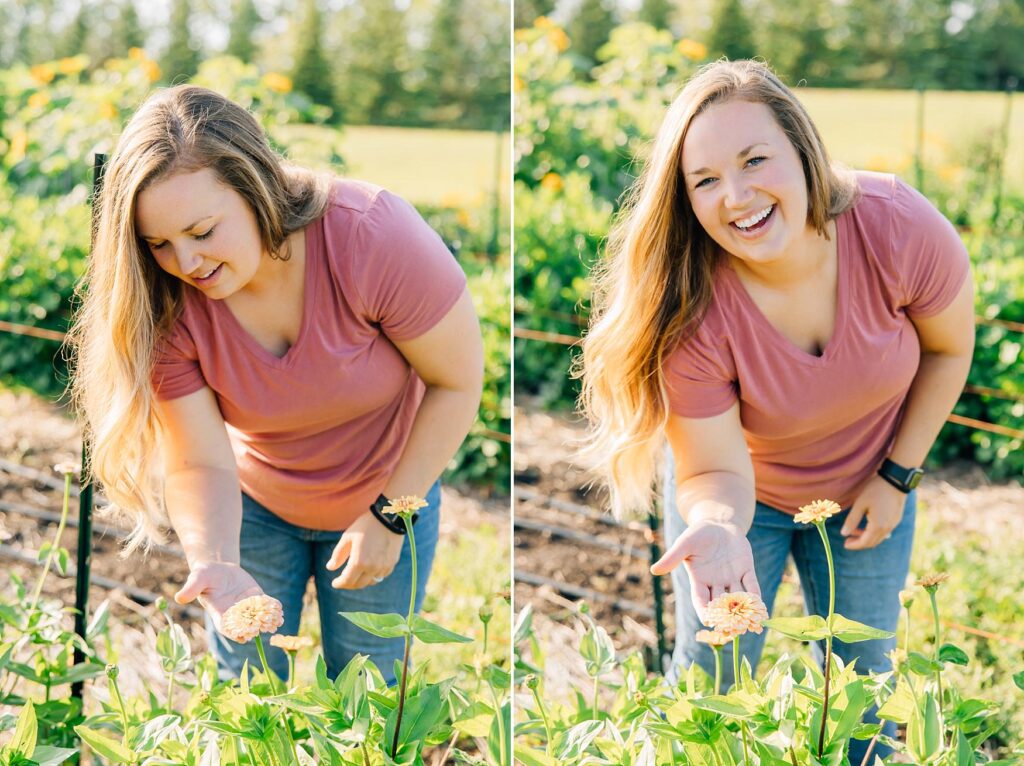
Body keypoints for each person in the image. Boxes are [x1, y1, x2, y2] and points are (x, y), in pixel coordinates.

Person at [579, 60, 973, 762]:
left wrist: (897, 477)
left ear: (802, 148)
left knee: (861, 692)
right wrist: (719, 527)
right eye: (704, 181)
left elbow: (948, 351)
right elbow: (715, 471)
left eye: (754, 159)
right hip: (740, 501)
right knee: (711, 689)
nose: (736, 196)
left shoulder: (900, 229)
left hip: (868, 486)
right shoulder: (690, 313)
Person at [67, 85, 484, 685]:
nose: (187, 262)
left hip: (390, 488)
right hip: (255, 506)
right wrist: (214, 558)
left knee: (369, 689)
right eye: (159, 243)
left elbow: (457, 382)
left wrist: (390, 516)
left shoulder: (371, 236)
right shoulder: (161, 302)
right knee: (251, 692)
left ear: (257, 187)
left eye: (203, 231)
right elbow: (198, 459)